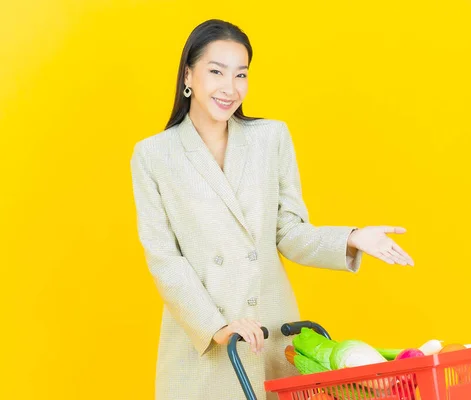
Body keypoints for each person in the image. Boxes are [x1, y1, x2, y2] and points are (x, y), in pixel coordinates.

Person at [130, 18, 414, 400]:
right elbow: (165, 260)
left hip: (270, 330)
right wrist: (217, 327)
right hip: (204, 343)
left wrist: (352, 237)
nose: (230, 88)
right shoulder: (154, 155)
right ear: (188, 75)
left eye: (241, 75)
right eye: (216, 72)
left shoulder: (270, 138)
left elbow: (288, 232)